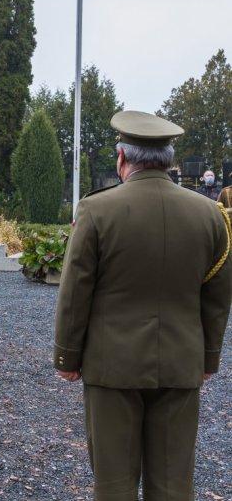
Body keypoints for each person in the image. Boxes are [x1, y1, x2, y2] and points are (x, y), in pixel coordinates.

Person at [54, 110, 232, 499]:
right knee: (172, 483)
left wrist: (68, 357)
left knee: (114, 483)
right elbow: (217, 296)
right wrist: (207, 359)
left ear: (122, 157)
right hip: (181, 363)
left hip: (111, 365)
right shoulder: (211, 215)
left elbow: (75, 292)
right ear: (169, 160)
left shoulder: (96, 210)